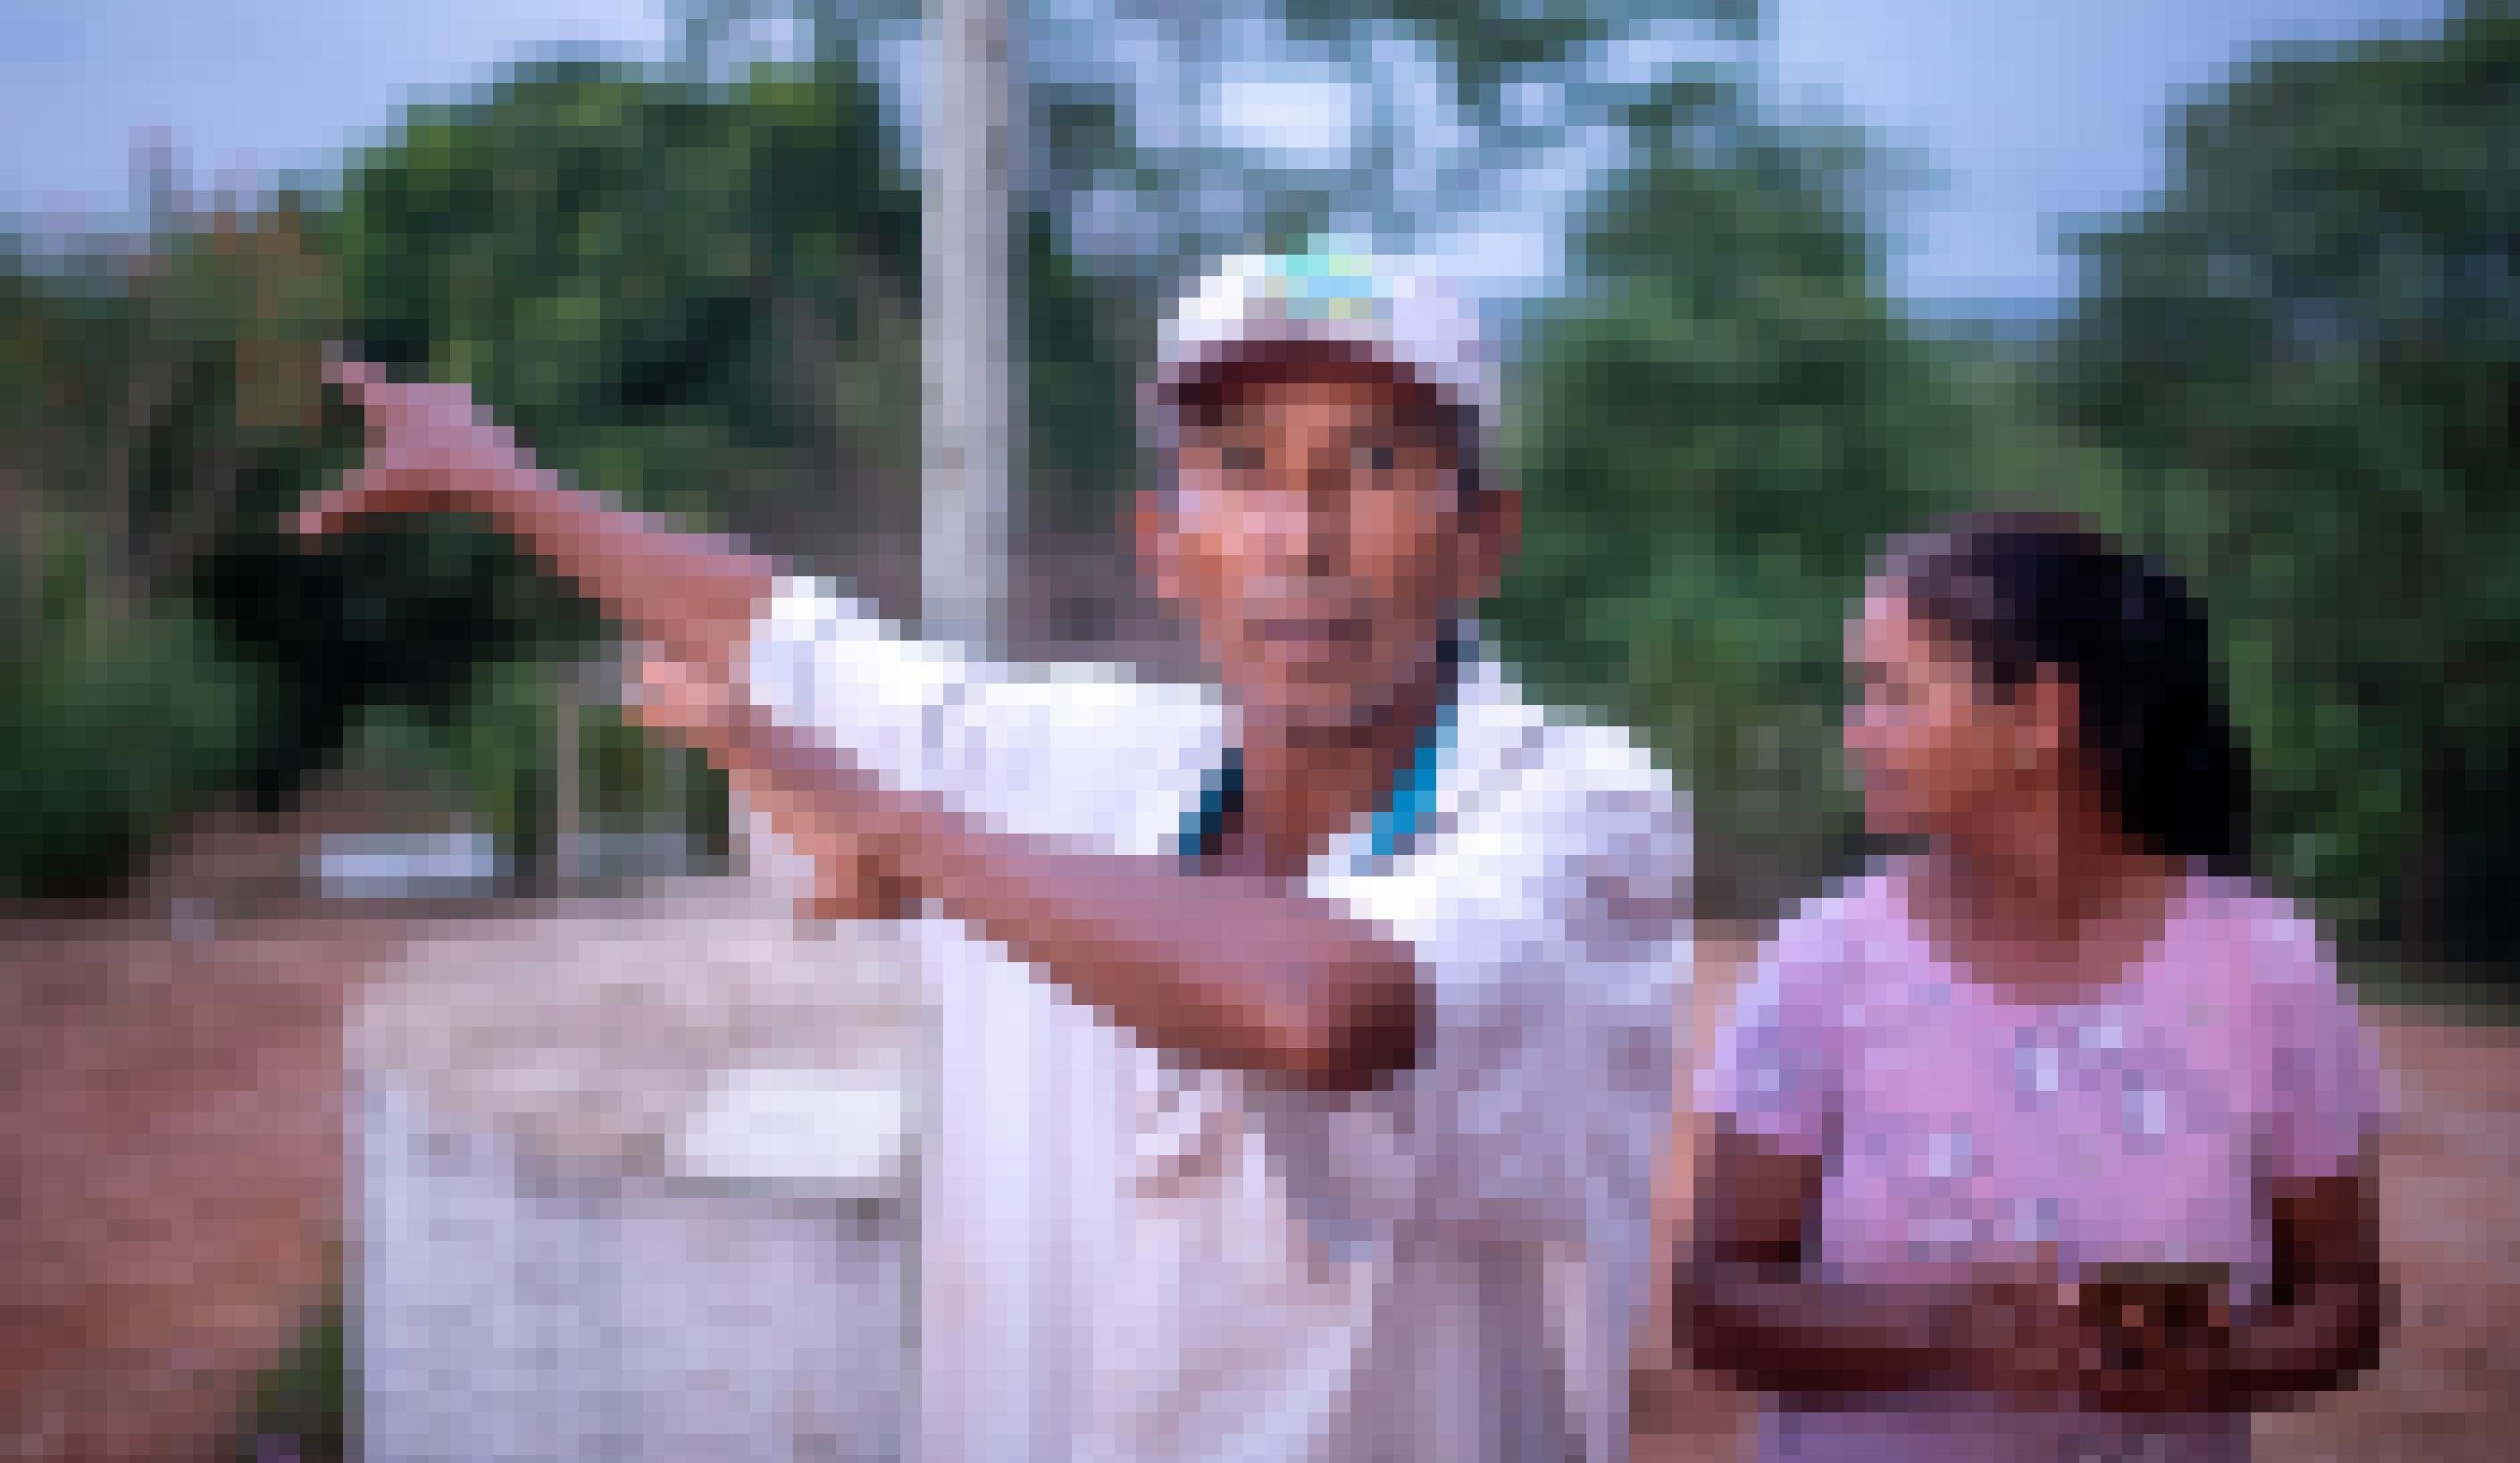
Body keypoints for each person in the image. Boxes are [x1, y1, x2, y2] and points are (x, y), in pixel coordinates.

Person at [296, 250, 1692, 1463]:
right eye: (1239, 465)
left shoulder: (1581, 811)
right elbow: (786, 633)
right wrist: (499, 477)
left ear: (1479, 538)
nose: (1300, 535)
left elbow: (1318, 1004)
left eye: (1374, 463)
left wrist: (897, 832)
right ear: (1163, 544)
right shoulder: (1090, 759)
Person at [1679, 509, 2392, 1463]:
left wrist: (2216, 1367)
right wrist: (1937, 1340)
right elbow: (1715, 1300)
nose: (1855, 736)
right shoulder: (1823, 964)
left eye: (1890, 694)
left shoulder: (2266, 971)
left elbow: (2343, 1301)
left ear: (2039, 719)